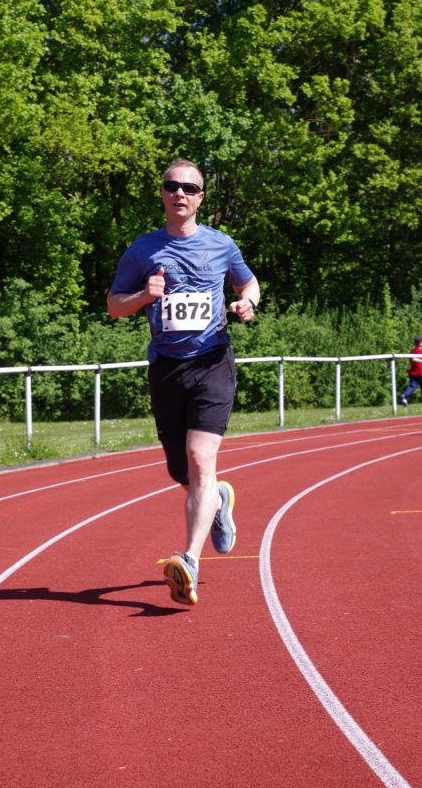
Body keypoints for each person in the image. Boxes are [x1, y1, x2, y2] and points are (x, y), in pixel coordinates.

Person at [107, 158, 260, 607]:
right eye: (172, 186)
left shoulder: (221, 244)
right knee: (183, 472)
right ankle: (219, 501)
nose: (180, 193)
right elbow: (114, 306)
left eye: (189, 188)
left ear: (200, 198)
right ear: (162, 193)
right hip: (167, 369)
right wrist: (143, 296)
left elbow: (248, 284)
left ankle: (189, 560)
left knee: (200, 458)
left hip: (213, 361)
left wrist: (247, 305)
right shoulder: (143, 249)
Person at [400, 335, 422, 411]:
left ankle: (404, 396)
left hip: (413, 373)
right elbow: (414, 359)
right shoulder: (419, 351)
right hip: (419, 373)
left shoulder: (413, 350)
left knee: (412, 386)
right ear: (420, 343)